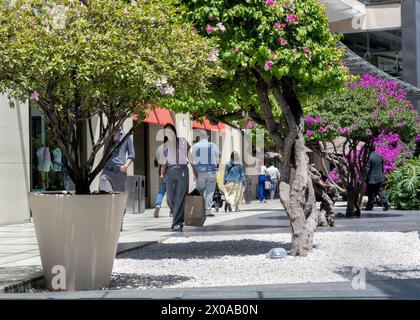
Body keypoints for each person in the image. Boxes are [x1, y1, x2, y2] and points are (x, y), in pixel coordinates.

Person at [159, 124, 198, 232]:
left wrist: (194, 168)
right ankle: (178, 218)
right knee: (170, 198)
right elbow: (163, 162)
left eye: (170, 131)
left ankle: (177, 223)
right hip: (170, 172)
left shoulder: (182, 141)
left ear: (174, 131)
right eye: (166, 132)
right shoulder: (165, 146)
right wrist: (161, 175)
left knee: (180, 197)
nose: (168, 133)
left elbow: (189, 155)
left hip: (182, 171)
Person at [99, 126, 135, 231]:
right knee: (106, 196)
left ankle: (119, 222)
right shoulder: (107, 134)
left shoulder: (127, 136)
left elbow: (132, 154)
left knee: (119, 200)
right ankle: (108, 222)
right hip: (106, 171)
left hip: (119, 172)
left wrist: (125, 166)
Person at [192, 131, 221, 217]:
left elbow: (191, 158)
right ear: (207, 137)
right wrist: (217, 167)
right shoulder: (212, 145)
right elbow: (218, 158)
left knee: (199, 190)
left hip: (199, 171)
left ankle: (197, 209)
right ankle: (207, 211)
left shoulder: (195, 146)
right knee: (210, 192)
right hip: (211, 171)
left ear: (199, 137)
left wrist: (194, 170)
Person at [153, 136, 170, 218]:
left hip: (161, 173)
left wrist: (160, 174)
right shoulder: (171, 149)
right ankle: (172, 211)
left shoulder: (159, 148)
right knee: (171, 193)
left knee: (161, 191)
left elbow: (155, 163)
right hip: (170, 173)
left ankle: (158, 204)